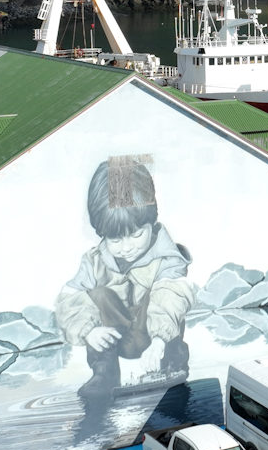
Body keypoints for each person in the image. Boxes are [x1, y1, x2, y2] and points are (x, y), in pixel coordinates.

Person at [55, 156, 195, 421]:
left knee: (165, 295)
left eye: (136, 235)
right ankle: (104, 374)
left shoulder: (168, 258)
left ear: (150, 224)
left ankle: (172, 364)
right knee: (96, 294)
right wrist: (88, 331)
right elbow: (69, 297)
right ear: (102, 234)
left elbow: (171, 297)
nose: (127, 247)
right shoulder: (95, 260)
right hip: (116, 337)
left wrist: (158, 342)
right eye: (116, 239)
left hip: (156, 338)